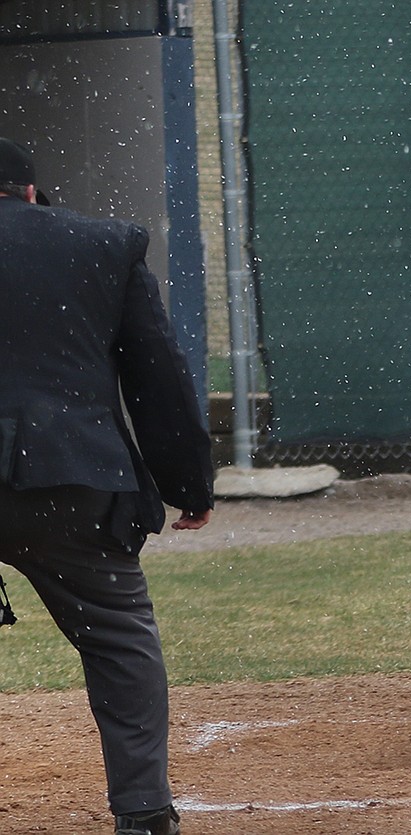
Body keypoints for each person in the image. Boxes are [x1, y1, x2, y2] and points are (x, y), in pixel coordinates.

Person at [0, 137, 215, 835]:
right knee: (118, 638)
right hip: (71, 474)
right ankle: (144, 810)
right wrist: (190, 482)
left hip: (62, 471)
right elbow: (158, 377)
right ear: (29, 192)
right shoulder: (105, 244)